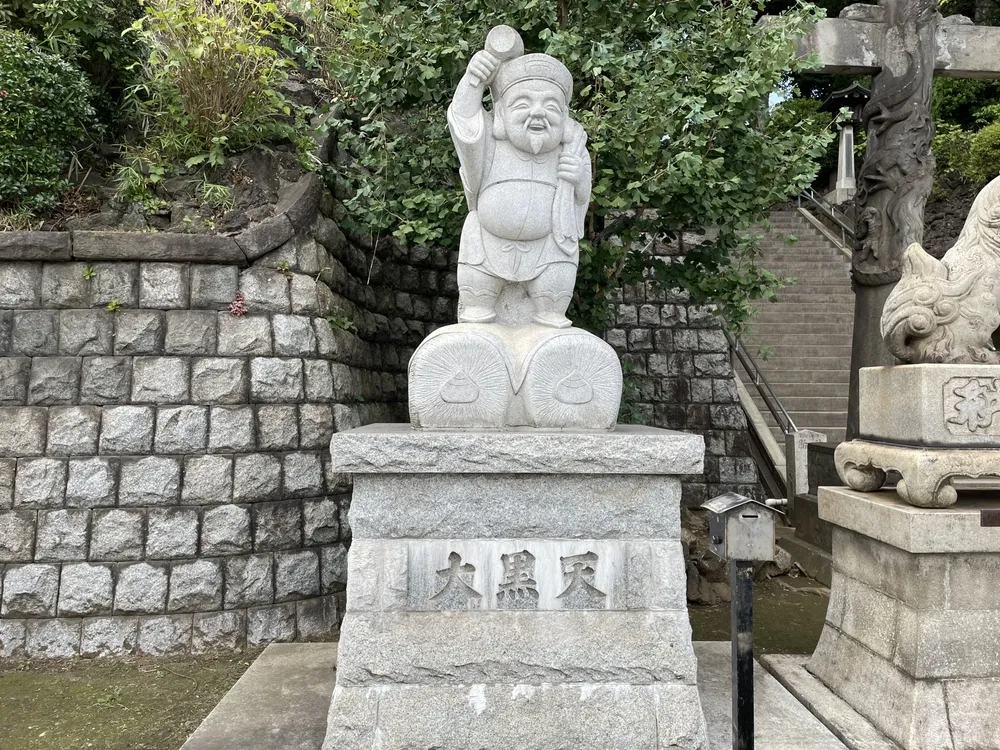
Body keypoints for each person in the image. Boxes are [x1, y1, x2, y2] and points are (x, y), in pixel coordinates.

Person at [447, 41, 592, 328]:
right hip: (488, 242)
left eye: (550, 106)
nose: (537, 113)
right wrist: (474, 80)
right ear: (500, 115)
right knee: (477, 300)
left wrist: (579, 179)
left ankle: (549, 321)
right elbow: (464, 123)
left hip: (548, 249)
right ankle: (478, 320)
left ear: (564, 119)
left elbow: (580, 201)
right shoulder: (491, 142)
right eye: (523, 104)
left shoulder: (572, 150)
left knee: (553, 298)